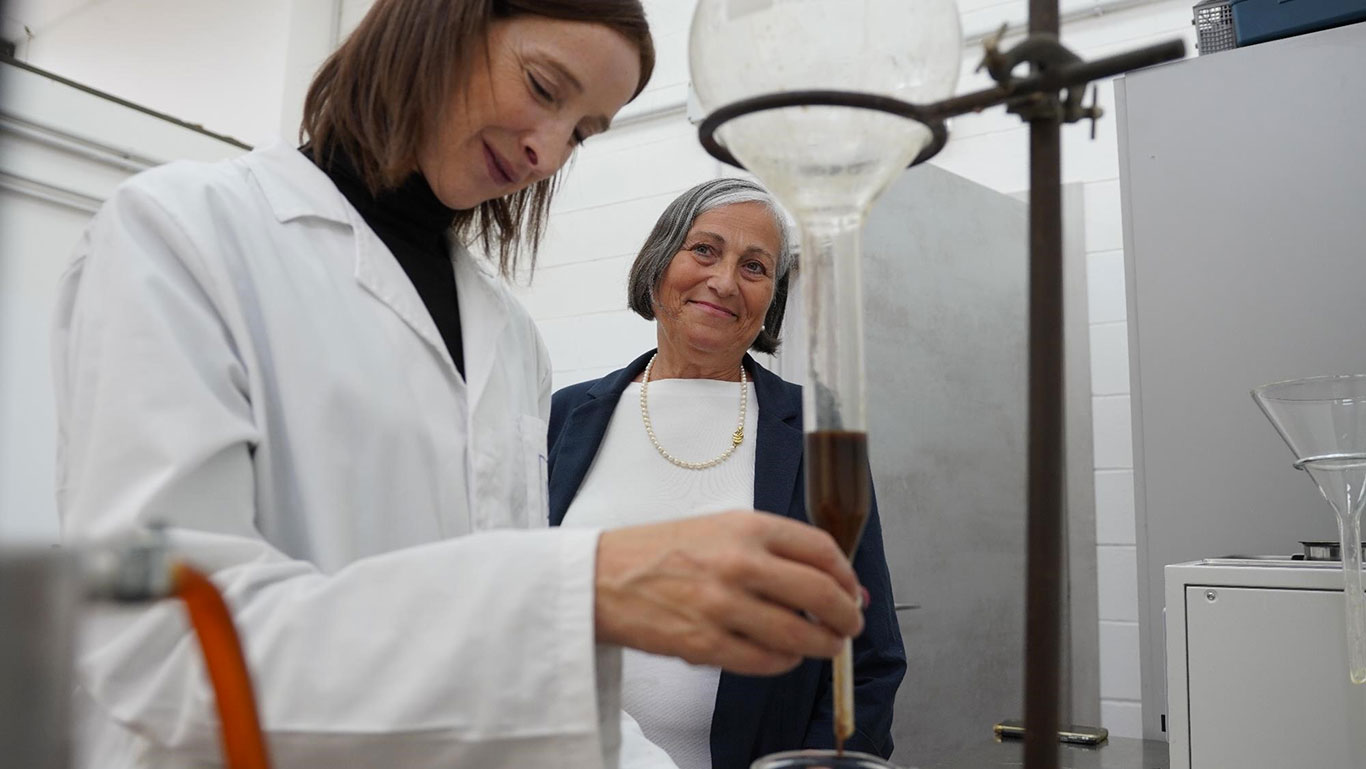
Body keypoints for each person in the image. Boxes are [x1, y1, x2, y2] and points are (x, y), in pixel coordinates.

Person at [50, 3, 866, 768]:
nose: (547, 150)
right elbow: (157, 641)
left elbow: (520, 674)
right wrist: (583, 586)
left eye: (581, 132)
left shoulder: (508, 335)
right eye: (545, 88)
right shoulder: (184, 234)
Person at [546, 178, 906, 769]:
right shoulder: (566, 416)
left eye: (756, 266)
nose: (724, 280)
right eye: (704, 250)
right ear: (659, 264)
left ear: (771, 298)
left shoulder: (816, 434)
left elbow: (868, 659)